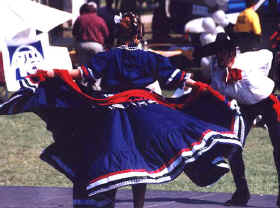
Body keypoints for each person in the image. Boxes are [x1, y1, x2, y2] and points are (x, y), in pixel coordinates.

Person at [0, 12, 245, 208]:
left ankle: (108, 202)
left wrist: (52, 73)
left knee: (112, 161)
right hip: (147, 113)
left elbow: (83, 74)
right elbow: (180, 80)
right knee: (142, 164)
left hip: (112, 114)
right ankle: (138, 205)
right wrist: (205, 90)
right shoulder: (151, 58)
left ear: (119, 34)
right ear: (139, 35)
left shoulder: (110, 56)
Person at [194, 33, 280, 208]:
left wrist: (270, 79)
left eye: (224, 52)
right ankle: (242, 192)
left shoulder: (249, 60)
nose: (220, 56)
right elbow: (216, 91)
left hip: (267, 101)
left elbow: (270, 55)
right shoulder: (216, 69)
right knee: (233, 145)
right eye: (217, 52)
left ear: (232, 52)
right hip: (244, 106)